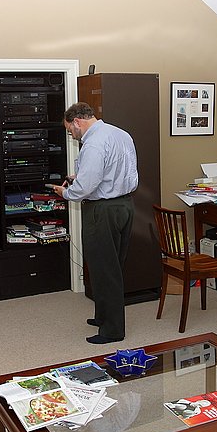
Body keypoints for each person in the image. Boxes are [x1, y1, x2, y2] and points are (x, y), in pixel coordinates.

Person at [49, 102, 138, 344]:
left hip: (102, 210)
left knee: (104, 269)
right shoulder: (121, 134)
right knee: (114, 265)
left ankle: (112, 330)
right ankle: (103, 316)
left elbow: (86, 188)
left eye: (70, 130)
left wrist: (66, 192)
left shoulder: (93, 144)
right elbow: (119, 171)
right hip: (125, 205)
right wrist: (80, 178)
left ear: (77, 121)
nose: (71, 134)